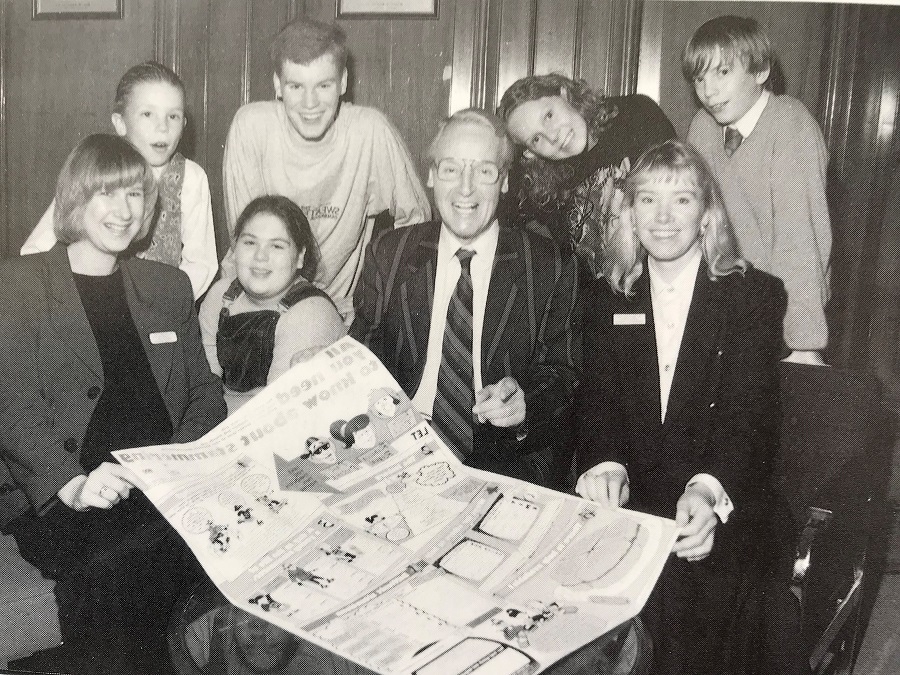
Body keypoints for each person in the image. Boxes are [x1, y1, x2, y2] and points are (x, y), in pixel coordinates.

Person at [0, 134, 227, 675]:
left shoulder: (167, 286)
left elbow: (204, 393)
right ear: (76, 198)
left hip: (159, 486)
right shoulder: (19, 286)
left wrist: (170, 468)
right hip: (67, 496)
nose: (123, 211)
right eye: (107, 195)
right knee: (137, 559)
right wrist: (71, 483)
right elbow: (13, 402)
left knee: (170, 546)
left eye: (134, 196)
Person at [575, 139, 794, 674]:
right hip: (637, 502)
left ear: (707, 213)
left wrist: (708, 491)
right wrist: (606, 466)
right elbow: (598, 401)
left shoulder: (754, 296)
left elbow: (750, 419)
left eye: (682, 200)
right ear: (630, 212)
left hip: (724, 496)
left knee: (695, 593)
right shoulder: (606, 295)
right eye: (648, 200)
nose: (664, 218)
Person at [350, 109, 580, 489]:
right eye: (451, 170)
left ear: (504, 181)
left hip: (503, 459)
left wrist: (526, 405)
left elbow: (565, 372)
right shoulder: (389, 253)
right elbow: (363, 353)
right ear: (430, 175)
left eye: (485, 171)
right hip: (396, 449)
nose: (466, 189)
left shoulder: (549, 264)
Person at [222, 18, 431, 322]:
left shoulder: (369, 131)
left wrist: (374, 296)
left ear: (343, 82)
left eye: (323, 85)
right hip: (255, 299)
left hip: (334, 310)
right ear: (278, 85)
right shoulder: (252, 126)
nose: (310, 103)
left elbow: (417, 223)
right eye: (296, 86)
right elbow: (246, 239)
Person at [683, 16, 831, 365]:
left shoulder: (791, 125)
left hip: (780, 317)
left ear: (761, 71)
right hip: (723, 309)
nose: (709, 90)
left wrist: (805, 343)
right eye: (699, 78)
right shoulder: (703, 127)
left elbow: (800, 242)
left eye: (722, 73)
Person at [20, 61, 218, 299]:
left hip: (158, 303)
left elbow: (202, 264)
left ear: (184, 124)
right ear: (120, 123)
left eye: (173, 116)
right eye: (147, 114)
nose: (163, 127)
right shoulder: (96, 171)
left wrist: (168, 305)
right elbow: (35, 249)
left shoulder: (192, 179)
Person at [497, 74, 675, 276]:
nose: (552, 136)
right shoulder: (543, 193)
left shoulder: (636, 115)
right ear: (530, 153)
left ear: (564, 94)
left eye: (549, 115)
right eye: (536, 139)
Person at [200, 195, 346, 414]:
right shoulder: (221, 296)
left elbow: (278, 415)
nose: (260, 257)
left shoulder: (310, 313)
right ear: (234, 249)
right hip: (226, 419)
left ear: (299, 257)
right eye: (250, 242)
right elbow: (203, 386)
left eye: (277, 246)